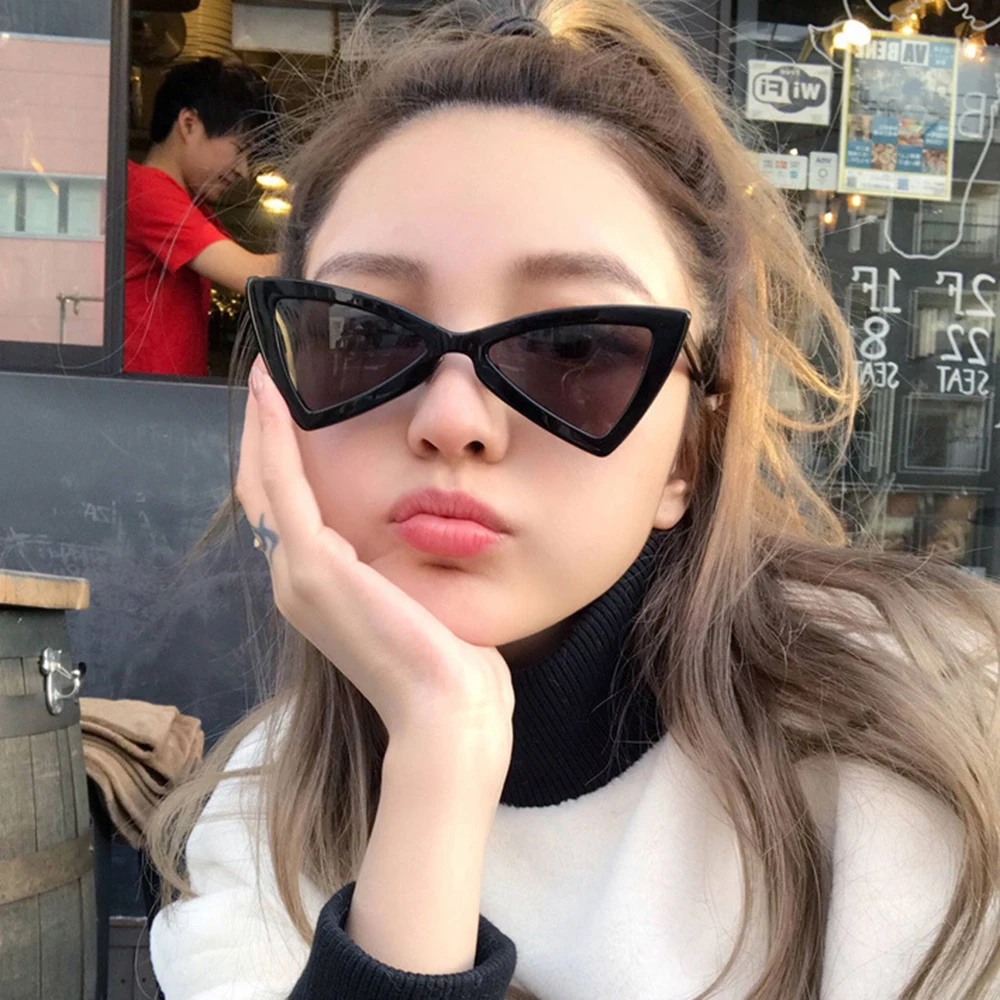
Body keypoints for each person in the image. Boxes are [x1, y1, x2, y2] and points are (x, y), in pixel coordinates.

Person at [146, 2, 1000, 998]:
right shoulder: (265, 808)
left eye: (574, 347)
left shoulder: (928, 745)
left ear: (687, 450)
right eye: (367, 335)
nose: (453, 417)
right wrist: (440, 748)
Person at [125, 57, 280, 376]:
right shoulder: (146, 189)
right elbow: (254, 274)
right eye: (240, 149)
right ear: (189, 124)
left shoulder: (194, 209)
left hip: (162, 396)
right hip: (142, 398)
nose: (243, 170)